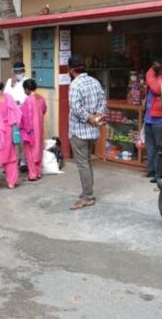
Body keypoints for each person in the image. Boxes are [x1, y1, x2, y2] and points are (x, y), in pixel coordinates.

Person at [67, 55, 106, 210]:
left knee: (83, 164)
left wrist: (89, 118)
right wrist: (97, 116)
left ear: (71, 70)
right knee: (87, 161)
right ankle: (87, 191)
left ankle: (87, 196)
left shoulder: (75, 85)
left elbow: (75, 108)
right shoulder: (95, 82)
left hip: (79, 131)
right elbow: (103, 101)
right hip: (93, 131)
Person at [20, 79, 47, 182]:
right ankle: (38, 172)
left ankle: (33, 174)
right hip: (39, 128)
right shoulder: (41, 98)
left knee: (30, 152)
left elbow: (25, 116)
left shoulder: (28, 100)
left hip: (30, 129)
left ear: (27, 89)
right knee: (38, 150)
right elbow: (44, 110)